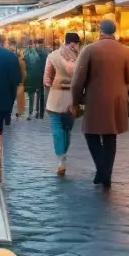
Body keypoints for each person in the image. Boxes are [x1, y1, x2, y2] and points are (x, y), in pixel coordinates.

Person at [70, 18, 129, 189]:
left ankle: (103, 170)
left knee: (90, 133)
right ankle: (106, 175)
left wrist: (75, 101)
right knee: (110, 136)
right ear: (114, 31)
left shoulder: (89, 49)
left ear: (100, 31)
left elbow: (78, 80)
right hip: (117, 100)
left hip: (95, 99)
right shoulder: (126, 51)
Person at [44, 32, 80, 175]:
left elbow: (46, 79)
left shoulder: (53, 55)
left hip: (56, 96)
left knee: (56, 128)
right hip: (72, 97)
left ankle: (61, 159)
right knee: (67, 128)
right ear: (76, 43)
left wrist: (52, 84)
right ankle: (64, 153)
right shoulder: (81, 57)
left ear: (65, 41)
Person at [23, 40, 47, 121]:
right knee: (39, 95)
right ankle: (38, 112)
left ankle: (32, 113)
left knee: (32, 96)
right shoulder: (43, 53)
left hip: (31, 77)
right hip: (39, 76)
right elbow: (45, 66)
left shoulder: (26, 54)